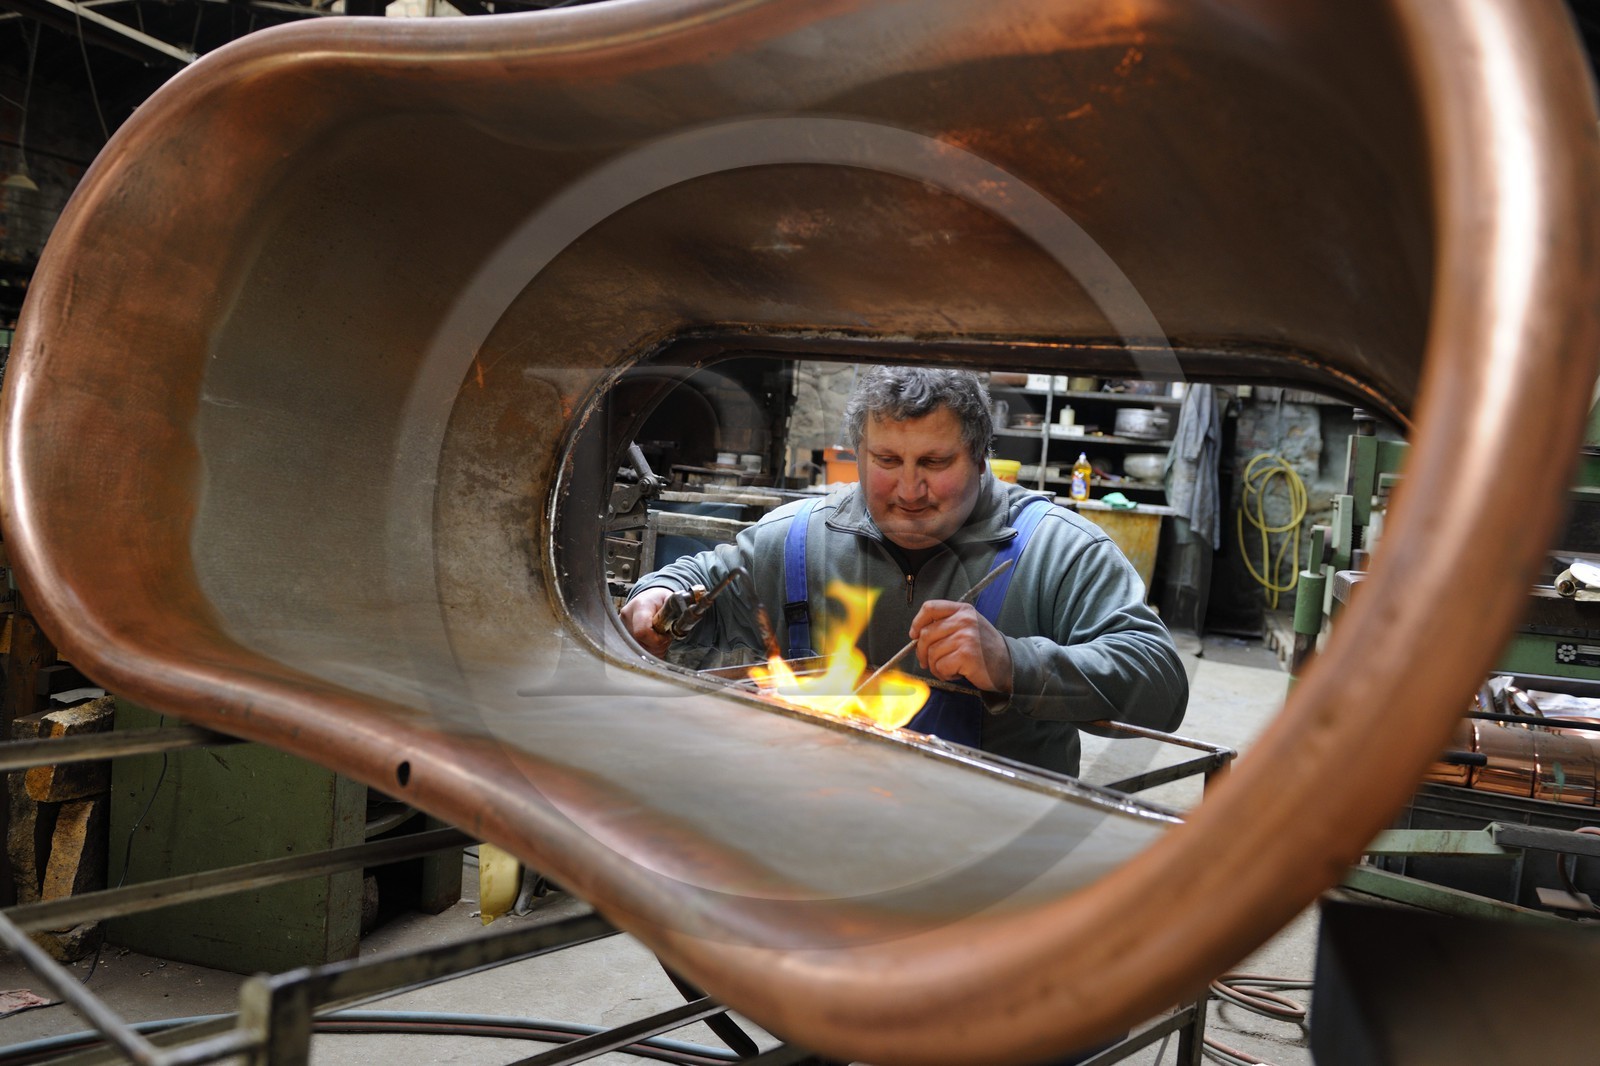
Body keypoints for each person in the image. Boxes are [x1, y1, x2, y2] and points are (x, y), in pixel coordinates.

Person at [620, 367, 1187, 776]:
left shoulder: (1055, 550)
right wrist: (658, 595)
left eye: (935, 463)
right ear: (858, 453)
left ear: (981, 455)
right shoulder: (797, 538)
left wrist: (1014, 662)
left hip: (993, 856)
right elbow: (699, 578)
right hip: (820, 831)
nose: (909, 491)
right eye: (886, 461)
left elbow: (1159, 686)